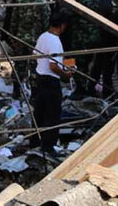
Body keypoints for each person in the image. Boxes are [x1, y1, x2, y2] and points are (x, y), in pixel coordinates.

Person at [33, 13, 73, 156]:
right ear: (62, 25)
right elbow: (53, 66)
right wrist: (66, 74)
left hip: (40, 77)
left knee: (39, 112)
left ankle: (35, 140)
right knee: (52, 114)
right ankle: (48, 146)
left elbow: (35, 55)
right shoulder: (55, 41)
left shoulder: (43, 36)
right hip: (51, 80)